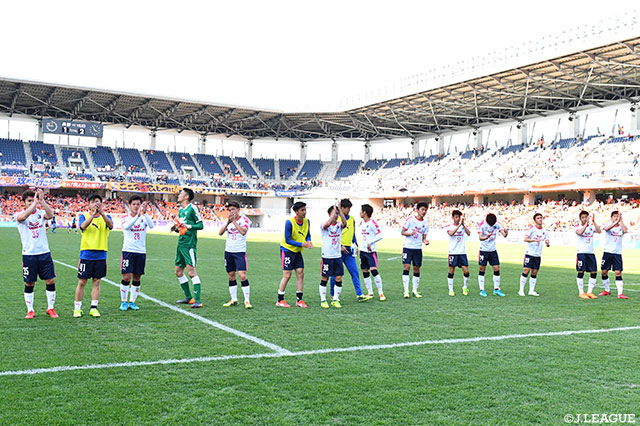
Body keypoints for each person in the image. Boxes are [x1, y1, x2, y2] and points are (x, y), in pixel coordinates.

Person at [15, 189, 58, 319]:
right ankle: (30, 310)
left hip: (44, 253)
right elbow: (22, 218)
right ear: (24, 202)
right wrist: (34, 203)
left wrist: (42, 200)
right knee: (29, 283)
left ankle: (50, 308)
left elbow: (50, 215)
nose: (31, 203)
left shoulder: (40, 214)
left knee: (50, 280)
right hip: (29, 255)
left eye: (32, 200)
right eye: (29, 201)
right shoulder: (19, 214)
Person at [74, 193, 114, 317]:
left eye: (97, 201)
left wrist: (102, 213)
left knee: (97, 282)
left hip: (101, 254)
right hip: (86, 254)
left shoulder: (106, 217)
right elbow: (83, 226)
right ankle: (77, 308)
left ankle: (94, 308)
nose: (95, 204)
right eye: (92, 202)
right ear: (89, 205)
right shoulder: (84, 216)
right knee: (82, 282)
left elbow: (111, 226)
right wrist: (93, 215)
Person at [120, 195, 154, 311]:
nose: (136, 206)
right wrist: (137, 216)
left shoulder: (144, 217)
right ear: (129, 206)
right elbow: (126, 227)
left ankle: (132, 302)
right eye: (133, 204)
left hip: (141, 251)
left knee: (137, 277)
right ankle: (123, 301)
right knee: (126, 277)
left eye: (138, 204)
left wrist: (144, 213)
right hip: (128, 251)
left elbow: (151, 225)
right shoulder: (125, 218)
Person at [329, 199, 368, 301]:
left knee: (355, 272)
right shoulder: (336, 219)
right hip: (338, 250)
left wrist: (355, 244)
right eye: (347, 208)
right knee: (335, 274)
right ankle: (333, 294)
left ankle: (359, 294)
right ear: (341, 208)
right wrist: (340, 246)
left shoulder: (352, 219)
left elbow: (352, 232)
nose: (349, 210)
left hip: (349, 251)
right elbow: (332, 235)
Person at [172, 188, 204, 308]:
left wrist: (188, 226)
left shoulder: (192, 208)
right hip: (181, 244)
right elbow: (182, 228)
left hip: (189, 245)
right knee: (178, 272)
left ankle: (198, 301)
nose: (179, 195)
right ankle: (189, 297)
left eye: (181, 193)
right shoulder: (181, 210)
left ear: (186, 196)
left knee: (191, 272)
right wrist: (176, 228)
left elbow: (200, 225)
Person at [277, 201, 313, 308]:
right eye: (302, 210)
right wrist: (302, 244)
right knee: (287, 275)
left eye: (305, 209)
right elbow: (287, 239)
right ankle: (280, 300)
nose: (304, 212)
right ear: (296, 212)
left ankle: (299, 300)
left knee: (300, 273)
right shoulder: (289, 223)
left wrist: (308, 241)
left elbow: (308, 234)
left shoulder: (307, 221)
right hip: (287, 250)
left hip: (297, 251)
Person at [219, 200, 253, 309]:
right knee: (231, 275)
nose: (231, 212)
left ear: (238, 210)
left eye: (233, 209)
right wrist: (228, 222)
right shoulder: (227, 221)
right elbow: (220, 233)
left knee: (242, 275)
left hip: (240, 251)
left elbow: (243, 232)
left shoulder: (244, 220)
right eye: (229, 210)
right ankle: (233, 299)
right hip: (228, 251)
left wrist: (234, 222)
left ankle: (247, 300)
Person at [320, 204, 348, 308]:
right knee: (325, 278)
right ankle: (323, 300)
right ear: (329, 214)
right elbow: (327, 224)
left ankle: (335, 299)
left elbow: (345, 223)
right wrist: (333, 213)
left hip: (337, 256)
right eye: (334, 213)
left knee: (339, 278)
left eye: (337, 214)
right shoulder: (323, 225)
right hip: (327, 256)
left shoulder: (339, 225)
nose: (336, 215)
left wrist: (340, 210)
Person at [400, 201, 430, 298]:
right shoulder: (410, 220)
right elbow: (402, 232)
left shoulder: (426, 224)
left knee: (417, 268)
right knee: (407, 267)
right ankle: (406, 291)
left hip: (418, 248)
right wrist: (410, 233)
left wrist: (425, 241)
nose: (424, 211)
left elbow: (423, 238)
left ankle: (415, 290)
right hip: (408, 248)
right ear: (417, 210)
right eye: (422, 209)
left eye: (425, 210)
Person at [477, 213, 508, 297]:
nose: (492, 226)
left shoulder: (497, 224)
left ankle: (496, 289)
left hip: (493, 250)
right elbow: (480, 237)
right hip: (483, 250)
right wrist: (486, 237)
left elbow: (504, 235)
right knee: (482, 269)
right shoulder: (482, 225)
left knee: (496, 268)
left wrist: (506, 232)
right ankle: (482, 290)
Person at [599, 211, 628, 299]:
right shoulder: (608, 224)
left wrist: (621, 220)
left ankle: (620, 294)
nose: (616, 217)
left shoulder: (621, 226)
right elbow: (606, 229)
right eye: (614, 216)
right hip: (607, 252)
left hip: (617, 253)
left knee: (618, 272)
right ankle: (607, 290)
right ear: (611, 217)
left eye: (617, 216)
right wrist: (615, 222)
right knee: (604, 272)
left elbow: (625, 230)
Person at [519, 213, 550, 297]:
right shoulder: (532, 229)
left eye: (541, 218)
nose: (540, 219)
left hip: (537, 254)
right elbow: (525, 239)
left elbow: (547, 243)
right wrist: (534, 240)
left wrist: (547, 243)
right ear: (535, 220)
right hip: (529, 253)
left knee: (535, 272)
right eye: (538, 218)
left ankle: (531, 290)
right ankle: (521, 290)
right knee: (526, 270)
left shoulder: (545, 231)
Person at [360, 203, 385, 301]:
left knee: (374, 270)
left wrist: (370, 242)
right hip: (363, 251)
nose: (360, 213)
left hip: (371, 252)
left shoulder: (372, 223)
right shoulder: (362, 223)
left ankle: (381, 293)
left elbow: (380, 235)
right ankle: (370, 292)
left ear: (365, 212)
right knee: (365, 271)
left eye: (361, 211)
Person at [575, 210, 601, 299]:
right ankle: (581, 292)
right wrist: (586, 224)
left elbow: (599, 231)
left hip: (590, 252)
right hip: (581, 252)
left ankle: (590, 292)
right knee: (581, 271)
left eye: (586, 217)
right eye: (583, 217)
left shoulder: (591, 227)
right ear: (580, 219)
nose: (585, 219)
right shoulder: (577, 227)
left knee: (594, 272)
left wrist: (594, 222)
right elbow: (580, 233)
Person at [446, 210, 471, 296]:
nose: (458, 219)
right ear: (453, 217)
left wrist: (463, 225)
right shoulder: (449, 226)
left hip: (462, 252)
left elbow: (469, 233)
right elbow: (451, 233)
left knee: (466, 271)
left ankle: (465, 287)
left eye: (459, 217)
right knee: (451, 270)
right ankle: (451, 289)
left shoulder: (463, 226)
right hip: (453, 252)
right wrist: (459, 225)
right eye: (456, 217)